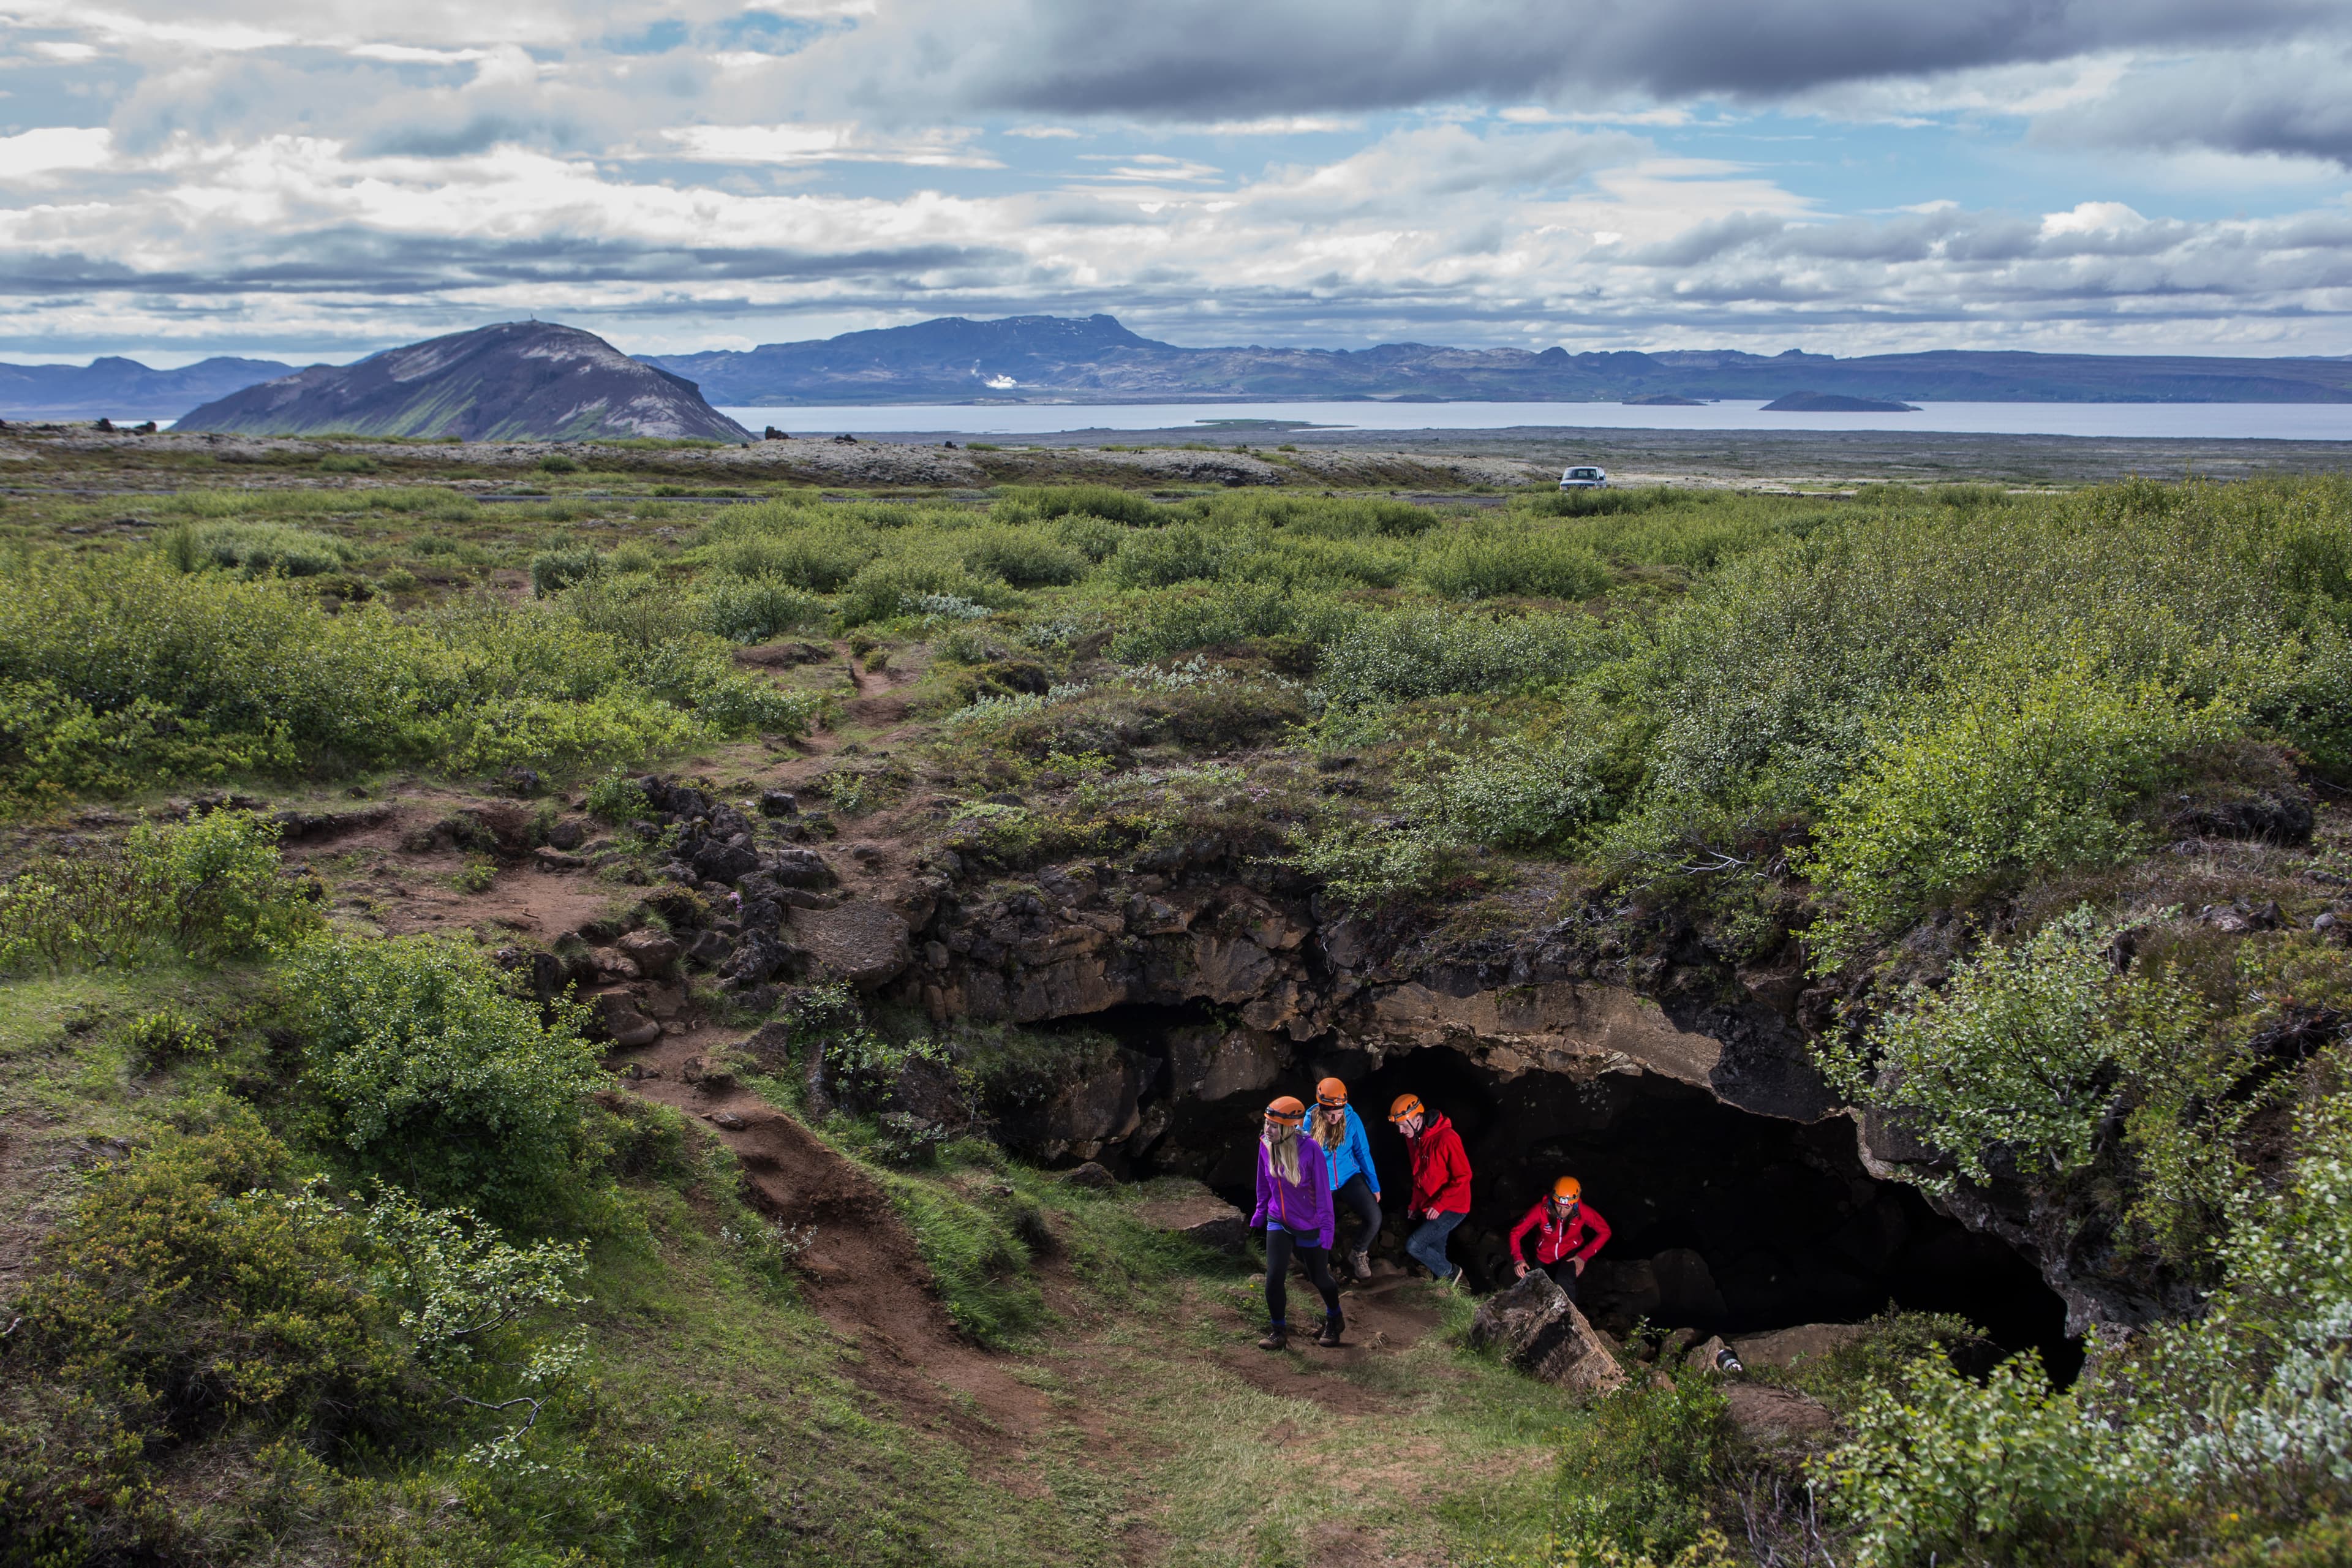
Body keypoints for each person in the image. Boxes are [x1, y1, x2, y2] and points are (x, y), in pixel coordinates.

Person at [1249, 1095, 1344, 1351]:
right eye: (1266, 1123)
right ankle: (1278, 1331)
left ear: (1289, 1127)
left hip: (1309, 1224)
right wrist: (1260, 1212)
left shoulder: (1311, 1149)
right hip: (1278, 1219)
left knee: (1320, 1278)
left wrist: (1327, 1231)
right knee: (1274, 1278)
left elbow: (1324, 1195)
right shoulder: (1265, 1144)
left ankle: (1335, 1319)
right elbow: (1263, 1182)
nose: (1267, 1129)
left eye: (1272, 1125)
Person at [1389, 1093, 1471, 1287]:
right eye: (1398, 1127)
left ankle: (1451, 1272)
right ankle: (1444, 1292)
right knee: (1437, 1250)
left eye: (1403, 1126)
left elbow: (1464, 1176)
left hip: (1453, 1206)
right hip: (1430, 1205)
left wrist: (1440, 1204)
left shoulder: (1447, 1139)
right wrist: (1415, 1204)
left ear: (1418, 1119)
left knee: (1415, 1245)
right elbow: (1418, 1174)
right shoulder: (1414, 1139)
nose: (1401, 1131)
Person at [1312, 1077, 1382, 1281]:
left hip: (1349, 1176)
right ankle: (1320, 1265)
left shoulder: (1352, 1119)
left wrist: (1374, 1184)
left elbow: (1363, 1153)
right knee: (1322, 1224)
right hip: (1322, 1180)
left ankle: (1358, 1254)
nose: (1334, 1118)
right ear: (1321, 1107)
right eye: (1330, 1114)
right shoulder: (1309, 1121)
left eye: (1339, 1113)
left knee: (1374, 1217)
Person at [1508, 1175, 1611, 1301]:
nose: (1562, 1212)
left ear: (1574, 1204)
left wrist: (1584, 1256)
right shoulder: (1541, 1210)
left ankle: (1569, 1317)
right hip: (1544, 1255)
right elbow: (1516, 1232)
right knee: (1539, 1293)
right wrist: (1518, 1258)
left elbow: (1605, 1231)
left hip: (1570, 1253)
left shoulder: (1583, 1211)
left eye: (1567, 1207)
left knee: (1564, 1280)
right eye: (1558, 1206)